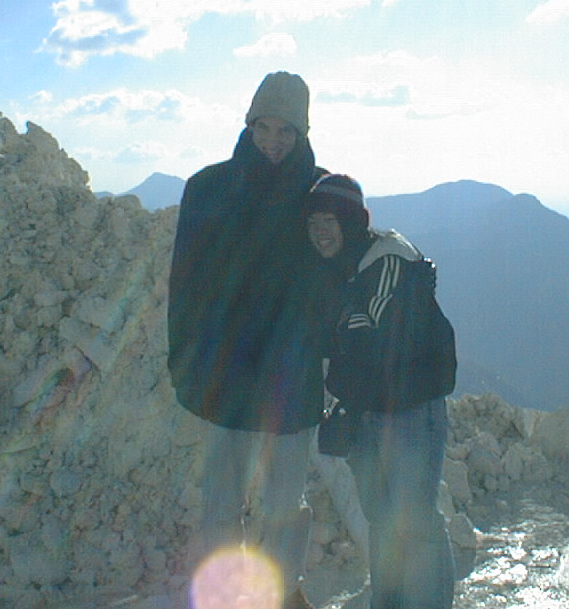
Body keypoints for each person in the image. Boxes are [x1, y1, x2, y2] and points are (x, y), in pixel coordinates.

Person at [167, 72, 325, 609]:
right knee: (221, 500)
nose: (273, 141)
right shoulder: (208, 188)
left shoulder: (322, 193)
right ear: (249, 124)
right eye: (264, 127)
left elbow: (337, 275)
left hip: (293, 373)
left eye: (286, 130)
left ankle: (283, 591)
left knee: (285, 502)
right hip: (228, 372)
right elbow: (185, 284)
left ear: (302, 132)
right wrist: (183, 360)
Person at [305, 173, 457, 609]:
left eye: (330, 221)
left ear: (353, 221)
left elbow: (368, 338)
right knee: (381, 518)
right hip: (367, 408)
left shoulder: (387, 259)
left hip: (409, 409)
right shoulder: (342, 267)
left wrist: (337, 369)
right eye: (313, 222)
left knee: (414, 520)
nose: (321, 231)